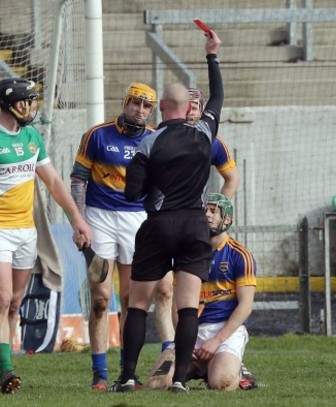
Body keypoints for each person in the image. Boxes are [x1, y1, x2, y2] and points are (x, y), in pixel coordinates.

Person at [0, 78, 92, 394]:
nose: (33, 106)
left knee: (13, 303)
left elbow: (53, 182)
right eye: (29, 101)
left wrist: (77, 219)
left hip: (27, 231)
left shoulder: (32, 138)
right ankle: (5, 371)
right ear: (13, 104)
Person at [111, 28, 223, 394]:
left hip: (158, 226)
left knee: (138, 304)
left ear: (161, 109)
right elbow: (219, 97)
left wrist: (152, 195)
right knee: (188, 307)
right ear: (190, 109)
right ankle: (179, 381)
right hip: (194, 226)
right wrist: (211, 55)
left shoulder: (148, 141)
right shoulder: (204, 133)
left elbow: (132, 193)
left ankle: (128, 375)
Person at [70, 82, 175, 390]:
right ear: (125, 101)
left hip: (137, 220)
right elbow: (78, 180)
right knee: (101, 300)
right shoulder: (97, 135)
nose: (139, 110)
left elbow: (160, 188)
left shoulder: (155, 139)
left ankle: (126, 373)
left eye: (146, 106)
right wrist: (79, 221)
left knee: (132, 299)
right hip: (99, 218)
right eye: (135, 103)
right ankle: (99, 374)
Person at [187, 193, 256, 391]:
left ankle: (237, 371)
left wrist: (216, 340)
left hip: (225, 332)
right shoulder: (187, 254)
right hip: (192, 331)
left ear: (227, 219)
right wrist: (185, 337)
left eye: (213, 211)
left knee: (221, 384)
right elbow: (176, 304)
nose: (206, 215)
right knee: (159, 383)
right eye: (204, 210)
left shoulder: (240, 255)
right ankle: (205, 367)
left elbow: (246, 306)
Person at [186, 88, 238, 199]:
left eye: (194, 108)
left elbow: (232, 179)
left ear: (201, 112)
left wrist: (219, 209)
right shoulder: (160, 136)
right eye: (185, 108)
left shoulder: (215, 144)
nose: (189, 112)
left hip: (196, 212)